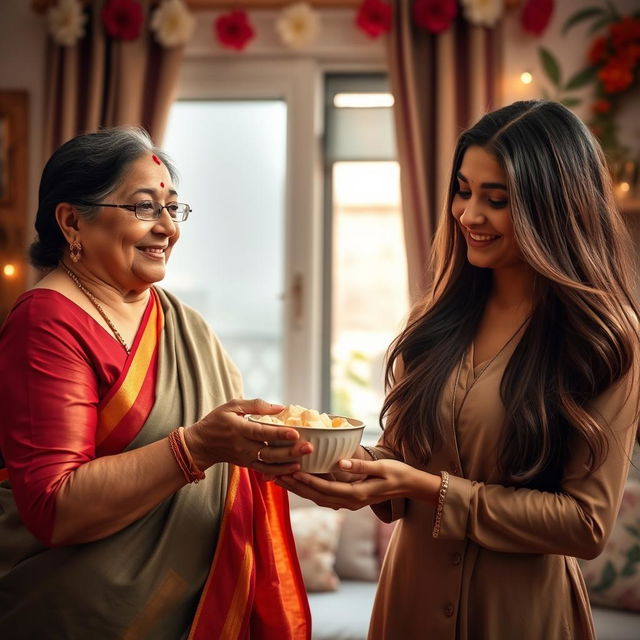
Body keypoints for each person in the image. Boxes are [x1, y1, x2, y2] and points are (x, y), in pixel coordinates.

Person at [277, 100, 640, 639]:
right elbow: (401, 463)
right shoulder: (437, 323)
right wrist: (337, 462)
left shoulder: (601, 340)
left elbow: (585, 524)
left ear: (554, 209)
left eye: (496, 199)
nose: (469, 214)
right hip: (409, 605)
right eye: (463, 191)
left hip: (519, 617)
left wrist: (431, 489)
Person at [0, 127, 312, 639]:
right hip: (76, 617)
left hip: (186, 611)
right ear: (72, 220)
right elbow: (55, 507)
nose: (168, 227)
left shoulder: (180, 322)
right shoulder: (48, 321)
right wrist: (195, 448)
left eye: (173, 208)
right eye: (145, 207)